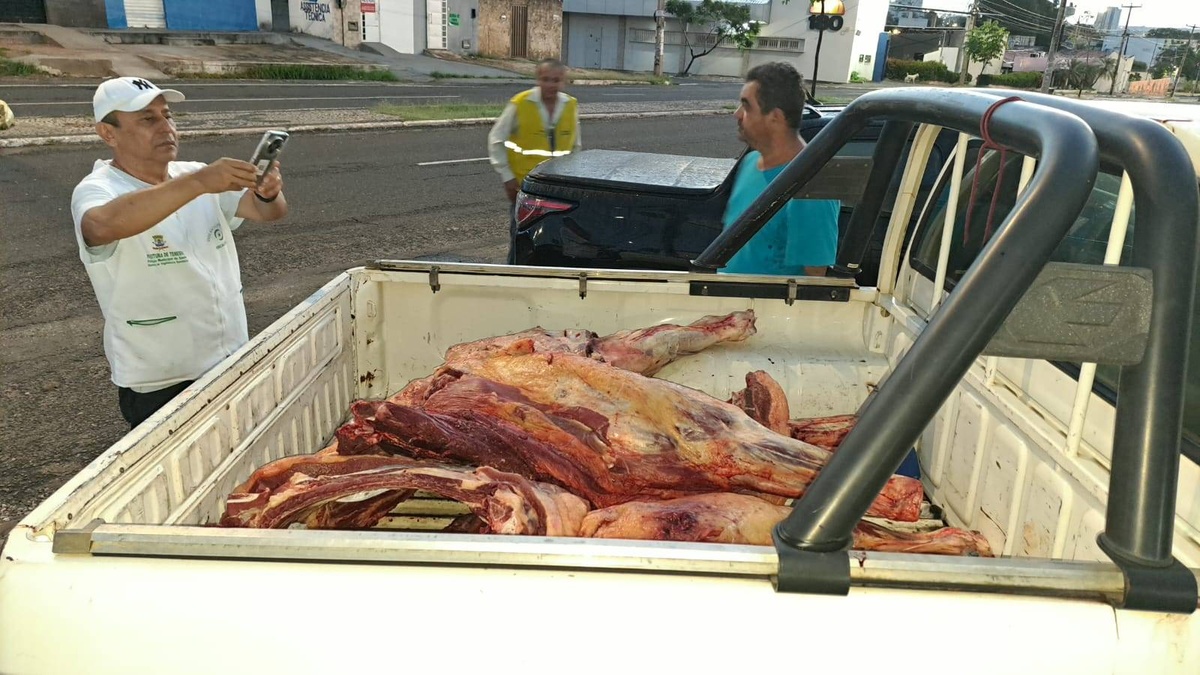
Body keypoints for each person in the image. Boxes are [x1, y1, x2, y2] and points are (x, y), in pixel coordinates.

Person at [71, 76, 289, 428]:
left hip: (229, 358)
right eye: (147, 119)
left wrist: (266, 192)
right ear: (107, 133)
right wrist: (199, 184)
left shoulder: (195, 174)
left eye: (168, 116)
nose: (166, 128)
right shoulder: (98, 188)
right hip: (161, 381)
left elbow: (268, 212)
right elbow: (100, 226)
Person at [721, 62, 839, 277]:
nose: (736, 115)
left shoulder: (812, 184)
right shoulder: (750, 163)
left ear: (775, 117)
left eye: (746, 106)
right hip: (729, 307)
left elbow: (814, 281)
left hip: (765, 311)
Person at [488, 59, 581, 263]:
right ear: (538, 79)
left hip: (557, 192)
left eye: (556, 80)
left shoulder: (570, 105)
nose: (551, 85)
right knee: (521, 241)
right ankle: (514, 281)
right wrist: (507, 176)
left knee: (554, 243)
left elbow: (575, 147)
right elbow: (496, 140)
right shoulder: (521, 103)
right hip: (525, 190)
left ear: (563, 82)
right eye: (546, 79)